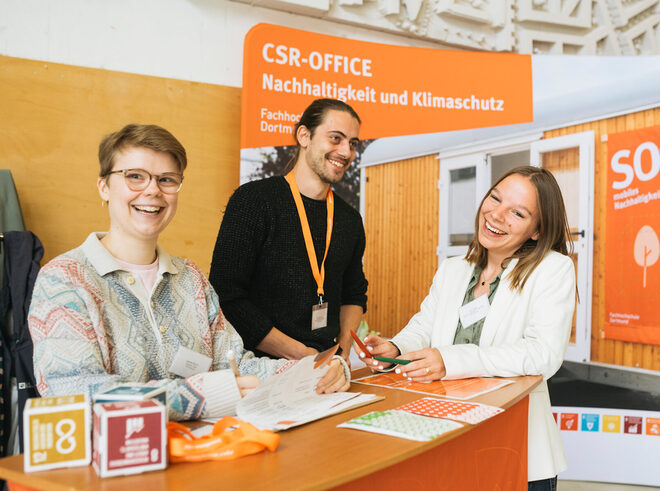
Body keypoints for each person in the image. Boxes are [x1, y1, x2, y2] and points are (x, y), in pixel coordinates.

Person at [28, 124, 350, 421]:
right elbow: (76, 395)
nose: (153, 190)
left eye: (167, 179)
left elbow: (239, 366)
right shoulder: (63, 280)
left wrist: (315, 371)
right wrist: (202, 395)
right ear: (103, 187)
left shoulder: (191, 279)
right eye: (135, 177)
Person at [356, 166, 576, 490]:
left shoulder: (553, 270)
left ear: (537, 231)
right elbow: (424, 325)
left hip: (513, 445)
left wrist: (450, 360)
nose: (496, 215)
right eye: (495, 198)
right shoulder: (452, 269)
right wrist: (397, 349)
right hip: (445, 435)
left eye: (517, 212)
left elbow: (543, 354)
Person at [210, 98, 367, 361]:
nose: (346, 152)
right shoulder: (253, 201)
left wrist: (340, 353)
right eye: (336, 138)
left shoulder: (349, 219)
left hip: (325, 364)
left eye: (352, 144)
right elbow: (226, 295)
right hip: (258, 367)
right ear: (304, 136)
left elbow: (354, 294)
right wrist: (302, 355)